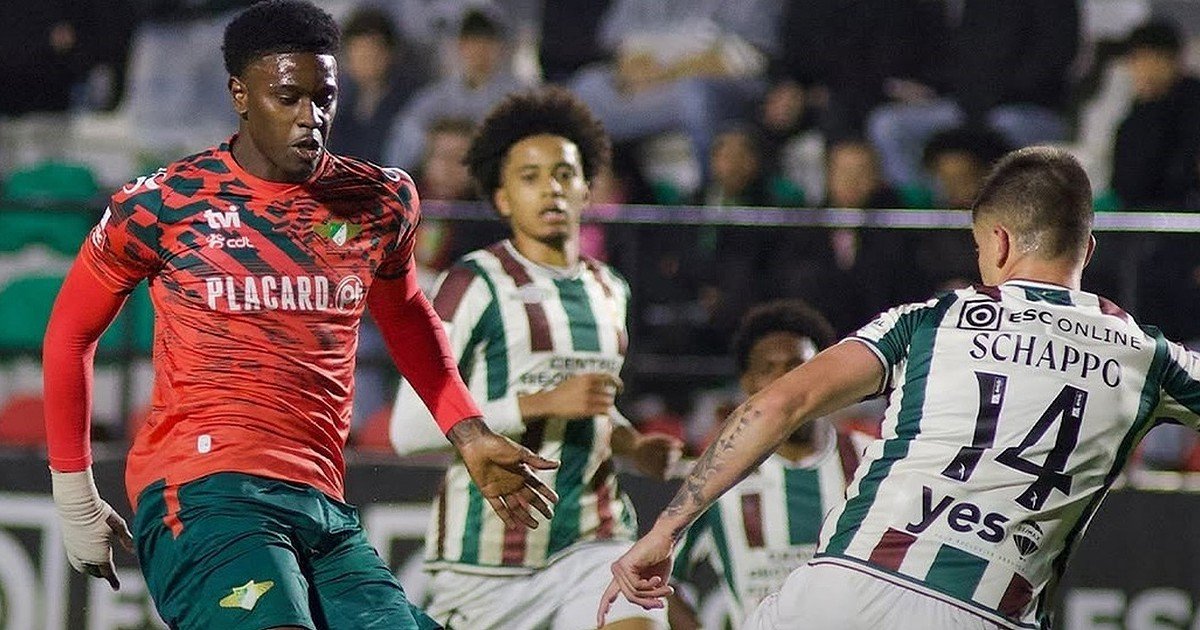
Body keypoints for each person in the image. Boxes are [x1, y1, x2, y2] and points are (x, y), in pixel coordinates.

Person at [41, 2, 559, 629]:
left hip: (321, 506)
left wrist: (468, 431)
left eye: (324, 99)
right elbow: (70, 334)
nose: (310, 118)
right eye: (288, 98)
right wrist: (75, 495)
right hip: (202, 494)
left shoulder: (379, 200)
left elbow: (404, 314)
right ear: (240, 94)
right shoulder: (164, 203)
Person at [600, 146, 1200, 629]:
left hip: (844, 591)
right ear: (1087, 250)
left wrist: (665, 529)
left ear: (998, 241)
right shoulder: (1148, 357)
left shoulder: (931, 320)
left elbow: (781, 402)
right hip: (987, 610)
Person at [389, 86, 680, 629]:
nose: (551, 188)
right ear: (502, 198)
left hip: (595, 540)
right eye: (530, 176)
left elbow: (590, 405)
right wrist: (540, 402)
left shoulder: (610, 289)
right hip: (486, 565)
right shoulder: (472, 282)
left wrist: (632, 444)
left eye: (565, 174)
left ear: (587, 189)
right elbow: (408, 430)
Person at [666, 299, 868, 629]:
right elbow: (662, 580)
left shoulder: (875, 460)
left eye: (797, 365)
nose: (783, 379)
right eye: (767, 369)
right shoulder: (717, 477)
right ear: (748, 384)